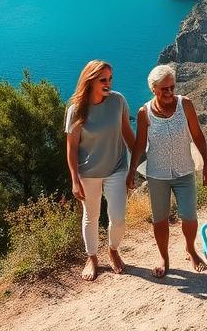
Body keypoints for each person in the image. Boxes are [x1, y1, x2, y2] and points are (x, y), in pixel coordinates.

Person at [127, 63, 207, 278]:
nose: (169, 92)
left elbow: (198, 135)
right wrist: (131, 172)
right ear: (153, 89)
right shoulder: (144, 113)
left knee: (190, 216)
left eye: (172, 87)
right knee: (160, 219)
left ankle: (191, 249)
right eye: (164, 89)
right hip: (157, 174)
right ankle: (164, 257)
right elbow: (139, 144)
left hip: (184, 170)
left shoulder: (186, 105)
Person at [65, 59, 136, 281]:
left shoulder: (118, 101)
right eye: (102, 80)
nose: (108, 84)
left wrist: (136, 165)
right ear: (90, 81)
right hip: (88, 173)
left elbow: (127, 134)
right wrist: (75, 180)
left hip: (116, 168)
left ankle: (113, 250)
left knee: (119, 218)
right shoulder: (76, 110)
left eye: (110, 79)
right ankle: (92, 257)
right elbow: (71, 148)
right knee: (91, 216)